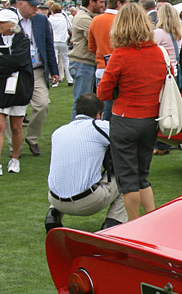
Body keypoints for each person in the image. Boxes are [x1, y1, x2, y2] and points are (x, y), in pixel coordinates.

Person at [95, 3, 169, 221]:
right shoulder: (158, 53)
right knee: (142, 176)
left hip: (125, 119)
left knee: (128, 180)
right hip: (151, 120)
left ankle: (134, 224)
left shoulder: (120, 55)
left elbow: (103, 93)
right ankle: (151, 220)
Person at [45, 93, 127, 232]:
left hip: (54, 199)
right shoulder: (100, 126)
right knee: (128, 178)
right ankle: (112, 224)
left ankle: (52, 216)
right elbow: (127, 139)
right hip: (87, 202)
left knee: (68, 173)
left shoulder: (58, 131)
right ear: (98, 114)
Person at [0, 9, 34, 176]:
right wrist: (7, 65)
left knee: (16, 127)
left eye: (1, 22)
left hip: (18, 89)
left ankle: (14, 159)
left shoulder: (22, 41)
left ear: (12, 25)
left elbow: (19, 61)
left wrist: (1, 64)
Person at [14, 0, 60, 155]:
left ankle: (32, 137)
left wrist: (54, 70)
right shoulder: (9, 19)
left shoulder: (41, 20)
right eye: (32, 6)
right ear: (20, 4)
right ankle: (14, 145)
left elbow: (49, 46)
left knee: (42, 105)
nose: (36, 9)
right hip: (15, 71)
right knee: (12, 109)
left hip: (36, 70)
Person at [88, 0, 130, 118]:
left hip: (101, 68)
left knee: (101, 108)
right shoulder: (122, 21)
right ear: (119, 4)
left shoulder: (95, 20)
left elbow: (91, 47)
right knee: (114, 111)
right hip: (119, 71)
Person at [68, 0, 105, 119]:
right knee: (82, 102)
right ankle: (75, 133)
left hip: (88, 64)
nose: (103, 5)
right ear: (91, 2)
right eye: (101, 2)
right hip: (83, 63)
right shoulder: (83, 18)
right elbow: (96, 40)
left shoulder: (89, 17)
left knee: (91, 102)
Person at [48, 2, 73, 86]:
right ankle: (70, 79)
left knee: (55, 61)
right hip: (63, 41)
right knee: (66, 60)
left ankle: (55, 81)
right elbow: (70, 27)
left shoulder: (50, 19)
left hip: (54, 41)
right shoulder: (65, 18)